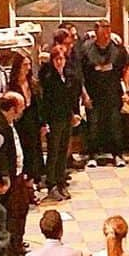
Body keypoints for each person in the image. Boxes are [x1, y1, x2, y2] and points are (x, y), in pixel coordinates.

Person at [80, 18, 129, 167]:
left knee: (115, 124)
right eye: (103, 31)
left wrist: (126, 89)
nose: (106, 34)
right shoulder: (86, 49)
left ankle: (118, 155)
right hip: (93, 94)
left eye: (108, 30)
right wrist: (84, 95)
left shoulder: (118, 49)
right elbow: (80, 74)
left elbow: (127, 68)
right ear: (96, 32)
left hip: (113, 93)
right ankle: (92, 155)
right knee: (93, 125)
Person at [39, 43, 81, 202]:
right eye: (56, 59)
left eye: (61, 59)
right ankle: (51, 184)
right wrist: (45, 122)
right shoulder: (49, 78)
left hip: (66, 118)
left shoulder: (69, 76)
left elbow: (73, 97)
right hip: (54, 119)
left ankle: (61, 181)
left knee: (63, 152)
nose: (59, 62)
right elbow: (46, 102)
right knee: (53, 153)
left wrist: (75, 113)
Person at [0, 92, 33, 245]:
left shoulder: (10, 122)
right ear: (13, 109)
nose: (23, 110)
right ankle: (13, 247)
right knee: (13, 213)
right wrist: (5, 177)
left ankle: (18, 241)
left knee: (22, 208)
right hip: (8, 178)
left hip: (18, 173)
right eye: (21, 107)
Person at [9, 51, 45, 190]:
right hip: (20, 122)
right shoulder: (12, 85)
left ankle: (35, 179)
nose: (28, 68)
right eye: (25, 65)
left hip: (33, 120)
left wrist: (42, 124)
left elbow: (39, 105)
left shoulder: (33, 83)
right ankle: (26, 182)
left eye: (29, 64)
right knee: (24, 151)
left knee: (35, 150)